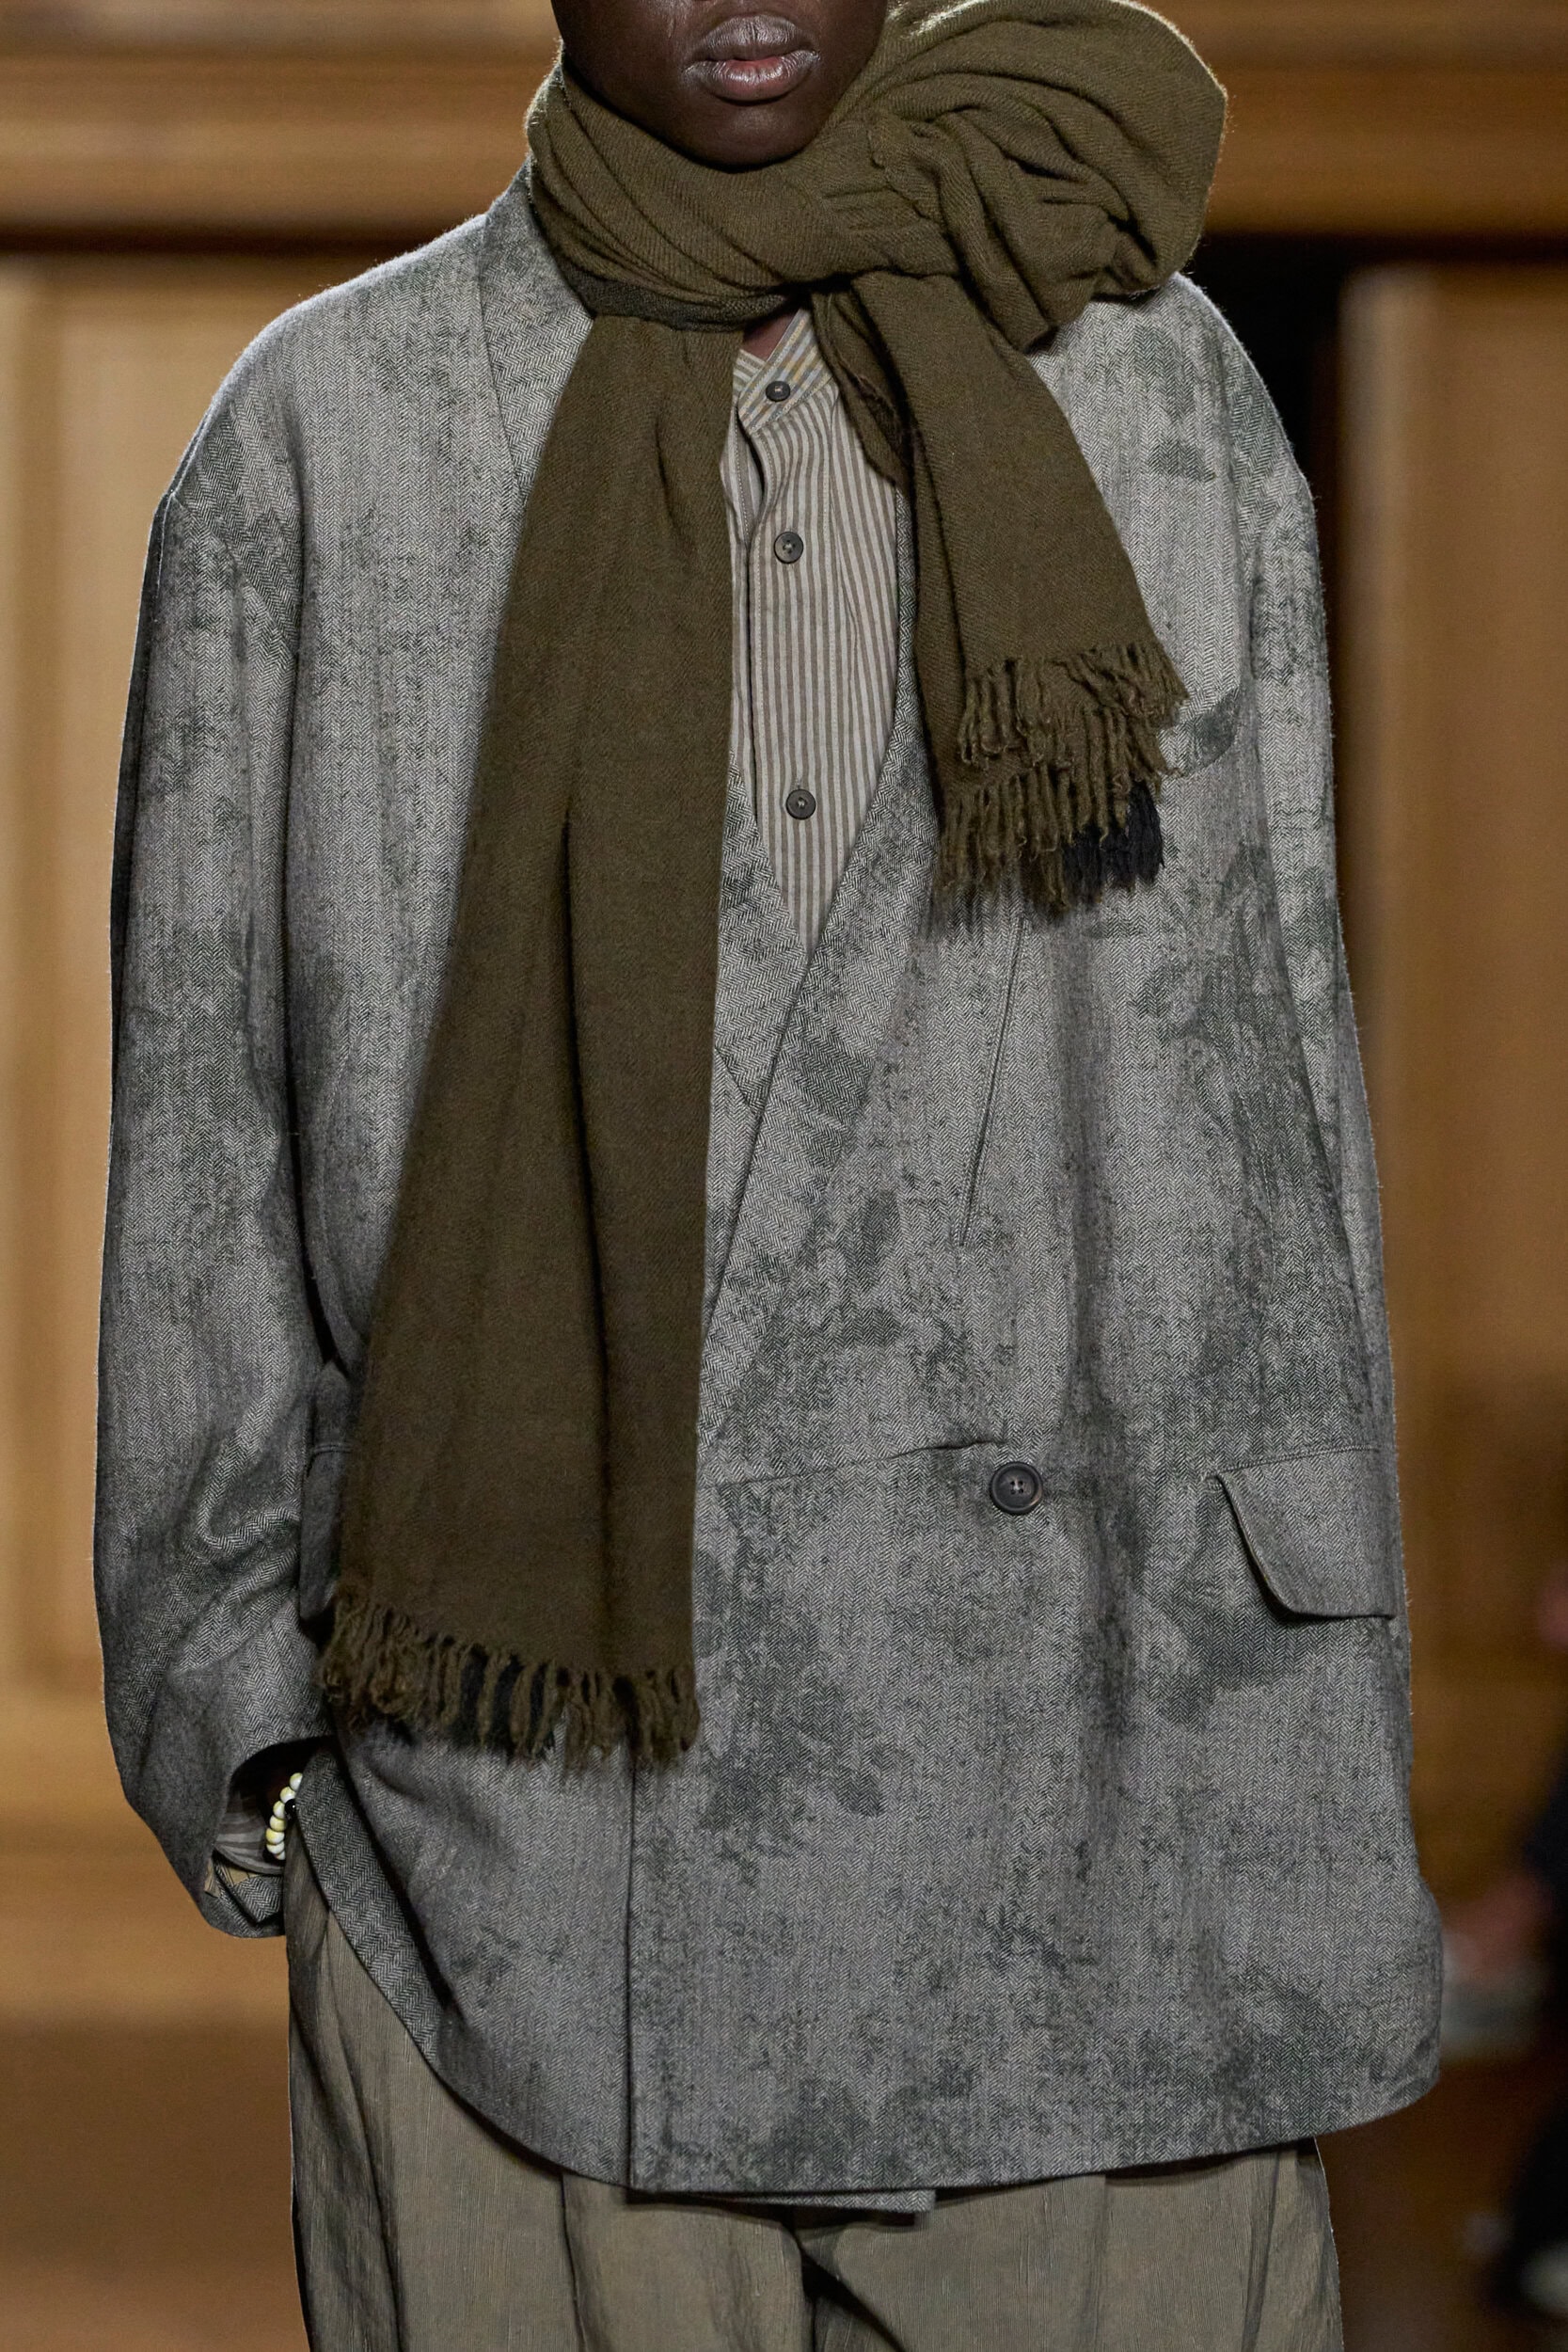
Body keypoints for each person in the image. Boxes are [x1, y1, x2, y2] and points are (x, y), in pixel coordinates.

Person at [95, 1, 1442, 2344]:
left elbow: (1284, 1083)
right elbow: (211, 1122)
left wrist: (1297, 1705)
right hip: (522, 1883)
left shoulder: (1149, 388)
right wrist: (261, 1742)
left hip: (1118, 1839)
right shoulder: (330, 433)